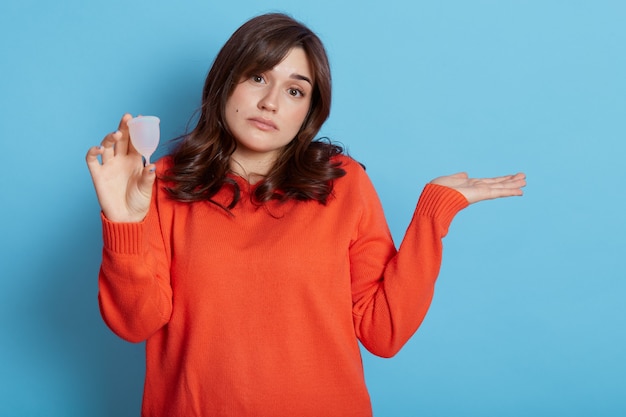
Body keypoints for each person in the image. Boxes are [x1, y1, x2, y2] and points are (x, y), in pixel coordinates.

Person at [86, 12, 525, 417]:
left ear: (308, 112)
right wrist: (124, 222)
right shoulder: (161, 184)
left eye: (294, 90)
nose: (271, 102)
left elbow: (383, 332)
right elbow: (135, 322)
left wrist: (432, 216)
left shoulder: (342, 183)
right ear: (225, 82)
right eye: (258, 77)